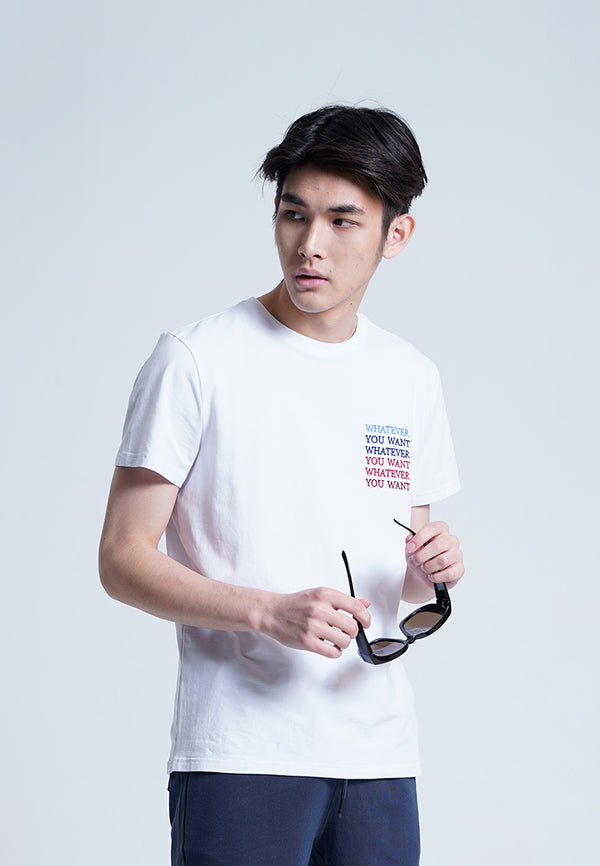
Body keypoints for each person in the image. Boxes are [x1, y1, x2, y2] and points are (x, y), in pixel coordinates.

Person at [99, 104, 464, 866]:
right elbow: (122, 557)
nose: (309, 245)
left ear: (397, 234)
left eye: (342, 221)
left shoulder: (411, 376)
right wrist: (267, 611)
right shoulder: (196, 361)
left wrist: (432, 566)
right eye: (294, 214)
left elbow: (401, 574)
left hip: (378, 754)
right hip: (242, 753)